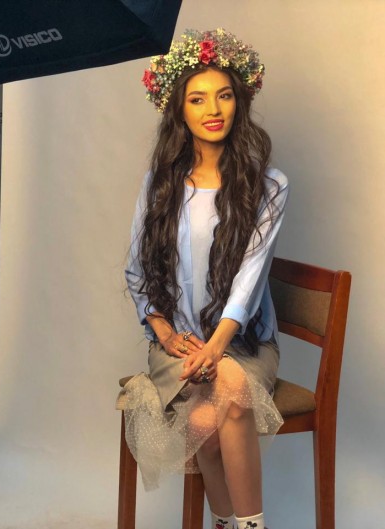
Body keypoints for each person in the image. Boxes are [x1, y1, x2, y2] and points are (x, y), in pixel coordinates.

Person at [124, 29, 289, 529]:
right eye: (197, 99)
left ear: (240, 102)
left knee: (226, 400)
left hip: (241, 344)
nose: (213, 109)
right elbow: (136, 271)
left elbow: (249, 281)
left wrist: (216, 349)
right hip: (176, 344)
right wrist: (165, 333)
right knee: (202, 420)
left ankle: (248, 527)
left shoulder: (269, 185)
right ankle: (228, 524)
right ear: (180, 110)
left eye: (224, 95)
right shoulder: (159, 184)